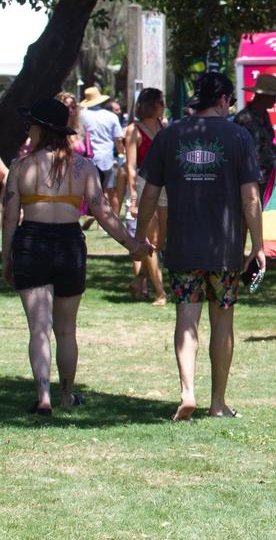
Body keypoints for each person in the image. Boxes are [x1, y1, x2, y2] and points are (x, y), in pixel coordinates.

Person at [2, 98, 151, 415]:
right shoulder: (83, 168)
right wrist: (133, 244)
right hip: (69, 244)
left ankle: (43, 397)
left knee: (39, 329)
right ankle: (67, 394)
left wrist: (6, 258)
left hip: (31, 243)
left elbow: (9, 218)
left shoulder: (21, 167)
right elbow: (105, 213)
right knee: (66, 330)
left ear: (41, 128)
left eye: (31, 124)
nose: (27, 129)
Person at [135, 72, 264, 421]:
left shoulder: (170, 134)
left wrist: (139, 234)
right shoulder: (239, 136)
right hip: (225, 249)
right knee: (223, 322)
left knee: (186, 317)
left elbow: (148, 192)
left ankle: (187, 392)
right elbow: (250, 197)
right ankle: (218, 402)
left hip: (183, 246)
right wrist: (258, 245)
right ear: (222, 100)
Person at [124, 88, 168, 304]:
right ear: (152, 104)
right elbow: (130, 166)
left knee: (161, 239)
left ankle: (140, 278)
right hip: (143, 183)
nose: (164, 106)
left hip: (165, 183)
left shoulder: (163, 126)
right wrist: (133, 198)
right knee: (149, 238)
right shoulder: (133, 130)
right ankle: (160, 292)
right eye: (161, 102)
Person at [234, 72, 276, 199]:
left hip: (267, 181)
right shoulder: (244, 119)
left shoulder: (264, 115)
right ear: (264, 96)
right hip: (251, 183)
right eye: (274, 96)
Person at [78, 86, 125, 218]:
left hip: (88, 158)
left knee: (90, 190)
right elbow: (118, 140)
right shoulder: (111, 116)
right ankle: (110, 217)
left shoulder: (81, 116)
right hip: (107, 158)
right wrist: (121, 156)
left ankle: (93, 215)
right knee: (110, 190)